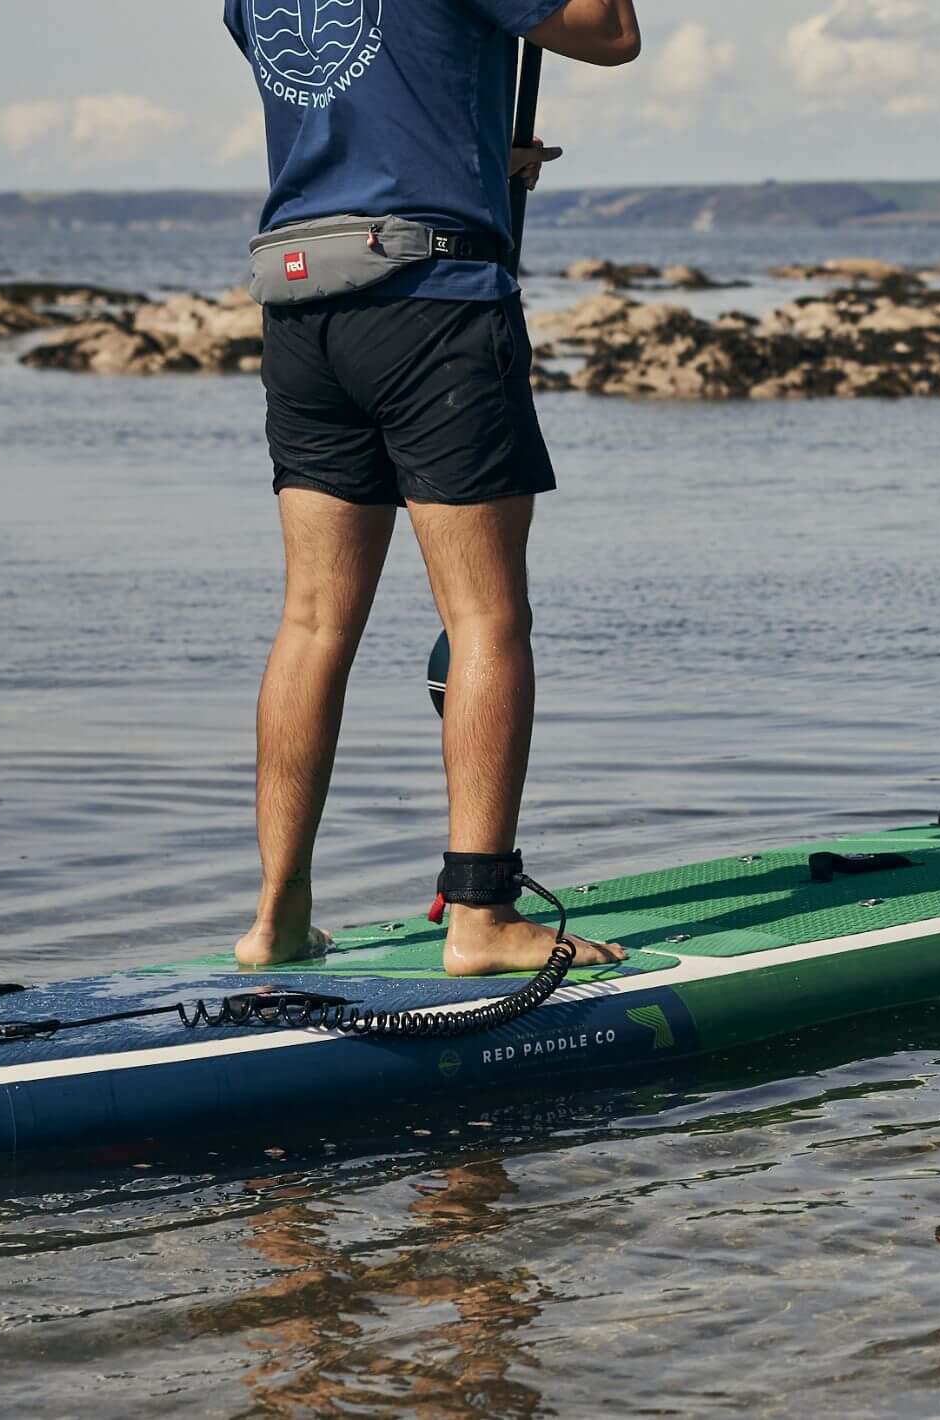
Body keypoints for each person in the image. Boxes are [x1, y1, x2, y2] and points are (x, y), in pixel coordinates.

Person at [219, 0, 642, 975]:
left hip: (302, 297)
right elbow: (608, 31)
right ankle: (481, 915)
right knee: (488, 619)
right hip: (431, 305)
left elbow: (364, 90)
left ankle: (277, 916)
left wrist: (469, 150)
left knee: (314, 621)